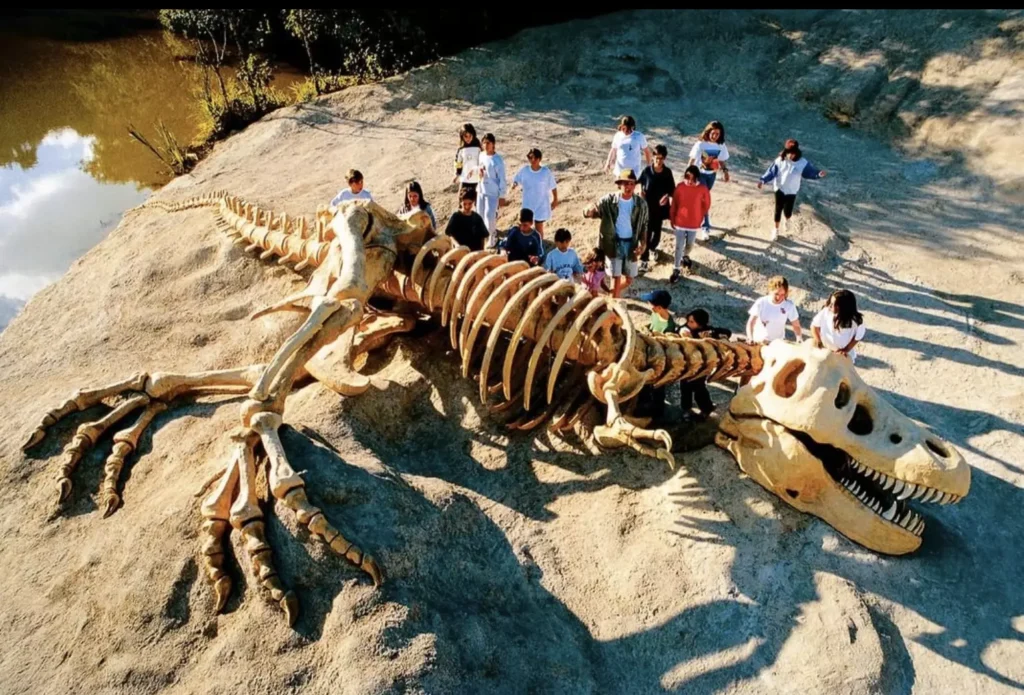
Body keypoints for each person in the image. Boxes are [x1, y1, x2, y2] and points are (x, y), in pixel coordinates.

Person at [582, 168, 648, 298]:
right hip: (613, 244)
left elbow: (644, 225)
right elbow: (593, 210)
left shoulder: (641, 204)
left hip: (631, 245)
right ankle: (613, 305)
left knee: (629, 279)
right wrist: (587, 211)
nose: (629, 187)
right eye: (625, 183)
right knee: (615, 278)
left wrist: (643, 244)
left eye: (631, 183)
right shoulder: (608, 201)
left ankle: (612, 295)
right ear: (619, 184)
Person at [758, 138, 827, 241]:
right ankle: (776, 230)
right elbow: (771, 171)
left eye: (792, 153)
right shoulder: (780, 160)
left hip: (792, 191)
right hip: (779, 188)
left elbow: (809, 172)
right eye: (788, 153)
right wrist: (763, 180)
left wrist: (818, 174)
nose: (790, 155)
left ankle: (787, 220)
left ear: (797, 152)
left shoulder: (803, 163)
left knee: (788, 211)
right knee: (778, 209)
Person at [678, 308, 731, 422]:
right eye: (688, 321)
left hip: (701, 366)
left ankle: (706, 409)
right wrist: (682, 330)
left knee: (699, 389)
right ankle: (686, 410)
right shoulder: (687, 329)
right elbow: (678, 329)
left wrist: (720, 337)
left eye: (692, 322)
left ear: (700, 324)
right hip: (687, 365)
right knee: (685, 389)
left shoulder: (707, 331)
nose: (689, 323)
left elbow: (726, 331)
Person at [636, 289, 679, 420]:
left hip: (658, 358)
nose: (649, 305)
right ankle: (643, 405)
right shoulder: (655, 314)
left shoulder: (669, 325)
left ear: (659, 307)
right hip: (648, 352)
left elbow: (664, 343)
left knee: (658, 385)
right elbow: (651, 325)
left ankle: (658, 413)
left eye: (650, 303)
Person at [667, 165, 711, 284]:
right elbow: (674, 204)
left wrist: (700, 216)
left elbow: (706, 205)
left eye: (693, 178)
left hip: (693, 223)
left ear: (697, 178)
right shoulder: (680, 187)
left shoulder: (703, 189)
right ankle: (676, 268)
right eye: (687, 177)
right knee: (678, 246)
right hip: (680, 222)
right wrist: (672, 218)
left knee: (690, 244)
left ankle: (685, 256)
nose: (690, 180)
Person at [638, 144, 675, 273]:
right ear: (653, 157)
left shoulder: (667, 173)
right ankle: (644, 260)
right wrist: (641, 193)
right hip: (647, 208)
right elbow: (640, 183)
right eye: (656, 157)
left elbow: (672, 190)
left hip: (660, 209)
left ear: (664, 158)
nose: (658, 161)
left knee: (657, 236)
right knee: (646, 236)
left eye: (661, 158)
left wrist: (667, 196)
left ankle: (652, 248)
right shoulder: (647, 171)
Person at [688, 120, 730, 234]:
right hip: (700, 174)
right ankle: (705, 227)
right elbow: (692, 160)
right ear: (708, 132)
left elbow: (721, 160)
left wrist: (725, 171)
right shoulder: (701, 144)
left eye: (717, 134)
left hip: (711, 175)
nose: (715, 136)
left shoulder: (720, 145)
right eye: (713, 133)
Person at [512, 148, 558, 237]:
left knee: (539, 228)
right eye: (530, 158)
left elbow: (553, 186)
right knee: (525, 226)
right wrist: (514, 184)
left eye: (535, 158)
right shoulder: (524, 170)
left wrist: (555, 199)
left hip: (540, 205)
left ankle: (539, 246)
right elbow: (517, 178)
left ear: (539, 159)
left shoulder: (545, 172)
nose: (532, 160)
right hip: (527, 205)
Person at [812, 289, 866, 363]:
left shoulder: (856, 322)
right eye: (830, 302)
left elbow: (858, 337)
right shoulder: (826, 312)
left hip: (842, 356)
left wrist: (846, 349)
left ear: (842, 307)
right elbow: (814, 326)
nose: (830, 305)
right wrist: (819, 342)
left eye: (833, 304)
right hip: (824, 351)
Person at [746, 275, 802, 344]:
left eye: (782, 295)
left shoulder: (789, 305)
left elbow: (796, 325)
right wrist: (750, 337)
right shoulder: (761, 302)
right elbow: (751, 322)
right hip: (759, 342)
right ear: (770, 290)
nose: (779, 297)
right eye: (776, 294)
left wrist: (799, 338)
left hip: (778, 343)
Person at [477, 132, 507, 248]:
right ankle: (482, 236)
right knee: (480, 214)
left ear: (493, 144)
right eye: (484, 143)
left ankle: (492, 236)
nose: (485, 145)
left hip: (492, 193)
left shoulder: (497, 160)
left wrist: (502, 195)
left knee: (489, 216)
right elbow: (479, 168)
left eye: (488, 143)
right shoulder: (481, 155)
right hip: (481, 190)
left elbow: (502, 179)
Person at [453, 123, 482, 198]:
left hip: (476, 179)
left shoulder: (478, 147)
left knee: (477, 201)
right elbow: (458, 162)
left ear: (473, 135)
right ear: (462, 136)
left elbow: (482, 161)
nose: (468, 138)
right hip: (465, 179)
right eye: (466, 136)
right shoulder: (461, 149)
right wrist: (457, 174)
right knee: (461, 199)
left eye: (470, 136)